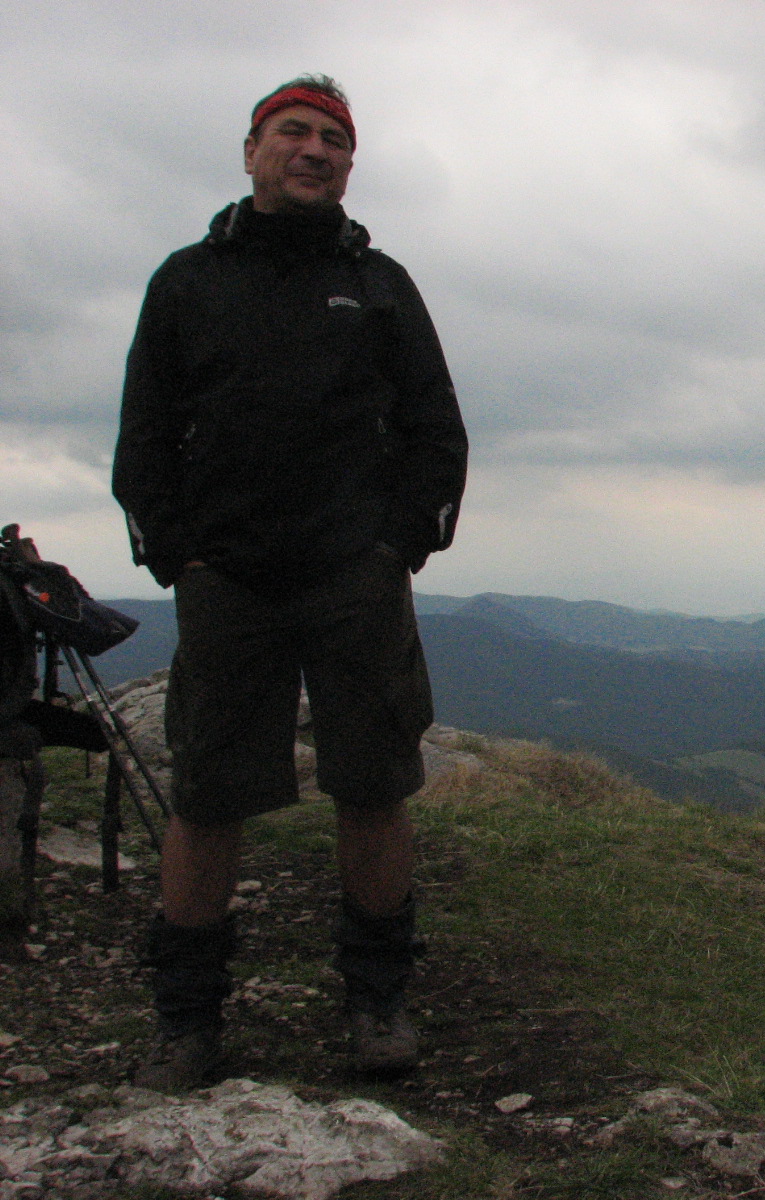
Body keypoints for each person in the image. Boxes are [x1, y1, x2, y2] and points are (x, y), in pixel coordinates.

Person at [111, 75, 468, 1091]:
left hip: (354, 578)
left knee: (375, 784)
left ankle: (378, 1001)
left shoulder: (381, 284)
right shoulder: (188, 282)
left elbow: (436, 429)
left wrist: (395, 547)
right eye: (294, 133)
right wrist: (178, 553)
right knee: (207, 795)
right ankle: (187, 1021)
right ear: (252, 150)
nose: (315, 151)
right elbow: (144, 432)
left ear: (349, 165)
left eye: (334, 141)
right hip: (228, 579)